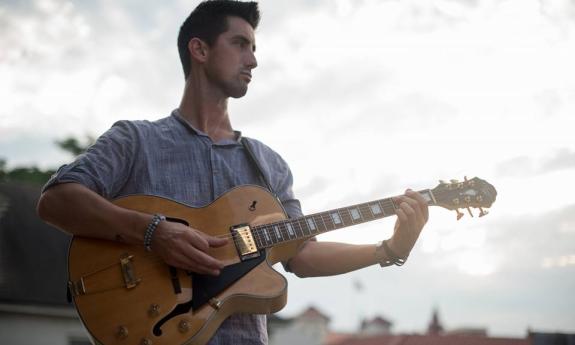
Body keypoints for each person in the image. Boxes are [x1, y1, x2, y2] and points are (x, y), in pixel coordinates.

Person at [37, 1, 429, 344]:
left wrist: (389, 250)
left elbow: (302, 253)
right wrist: (153, 231)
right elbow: (56, 200)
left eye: (255, 48)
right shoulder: (135, 140)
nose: (254, 60)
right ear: (200, 49)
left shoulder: (268, 163)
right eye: (241, 44)